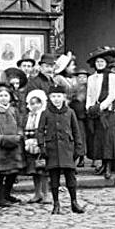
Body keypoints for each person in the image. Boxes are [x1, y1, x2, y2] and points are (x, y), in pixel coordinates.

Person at [37, 80, 85, 214]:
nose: (56, 99)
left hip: (67, 149)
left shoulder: (70, 112)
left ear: (64, 97)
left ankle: (74, 202)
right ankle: (56, 204)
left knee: (71, 177)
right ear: (49, 98)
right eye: (53, 96)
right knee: (54, 178)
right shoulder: (45, 113)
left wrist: (78, 148)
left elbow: (76, 131)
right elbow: (40, 131)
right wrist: (42, 146)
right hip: (52, 150)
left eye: (59, 96)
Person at [85, 46, 115, 179]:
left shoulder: (112, 77)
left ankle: (109, 167)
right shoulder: (91, 78)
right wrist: (89, 107)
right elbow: (89, 95)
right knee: (99, 139)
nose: (99, 64)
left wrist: (100, 107)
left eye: (102, 62)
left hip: (108, 113)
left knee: (109, 139)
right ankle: (102, 164)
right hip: (96, 113)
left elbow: (112, 95)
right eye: (97, 62)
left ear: (107, 62)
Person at [0, 80, 23, 207]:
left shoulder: (14, 110)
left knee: (13, 172)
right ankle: (0, 198)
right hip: (0, 147)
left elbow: (20, 124)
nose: (3, 98)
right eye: (1, 96)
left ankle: (7, 193)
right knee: (0, 173)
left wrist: (19, 136)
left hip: (14, 144)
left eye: (6, 95)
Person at [22, 89, 49, 204]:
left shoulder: (44, 115)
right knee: (34, 172)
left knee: (43, 172)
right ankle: (37, 193)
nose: (35, 106)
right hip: (29, 145)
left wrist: (42, 144)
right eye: (32, 104)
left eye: (37, 103)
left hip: (41, 146)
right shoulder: (28, 116)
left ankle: (46, 195)